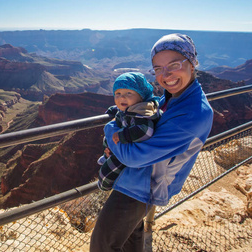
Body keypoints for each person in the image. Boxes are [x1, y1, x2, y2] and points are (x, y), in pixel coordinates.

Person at [90, 33, 214, 252]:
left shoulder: (193, 113)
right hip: (140, 179)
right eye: (157, 68)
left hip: (142, 187)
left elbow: (134, 157)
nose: (165, 75)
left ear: (192, 63)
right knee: (132, 238)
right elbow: (151, 110)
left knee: (103, 244)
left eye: (174, 64)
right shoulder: (175, 96)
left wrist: (111, 129)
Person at [97, 72, 161, 191]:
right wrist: (113, 109)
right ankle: (106, 154)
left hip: (131, 150)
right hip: (124, 146)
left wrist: (123, 135)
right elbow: (123, 108)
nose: (122, 97)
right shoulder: (132, 105)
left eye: (129, 93)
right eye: (118, 93)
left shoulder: (142, 111)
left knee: (108, 170)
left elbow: (146, 131)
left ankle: (103, 186)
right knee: (107, 140)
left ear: (141, 96)